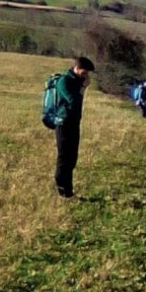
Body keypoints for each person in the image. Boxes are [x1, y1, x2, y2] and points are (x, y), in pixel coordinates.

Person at [53, 56, 95, 198]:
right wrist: (83, 88)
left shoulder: (77, 81)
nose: (86, 76)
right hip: (63, 123)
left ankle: (69, 192)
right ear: (76, 68)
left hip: (74, 123)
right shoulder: (64, 81)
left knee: (72, 158)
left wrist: (81, 86)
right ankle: (61, 191)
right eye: (84, 73)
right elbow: (73, 102)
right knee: (64, 158)